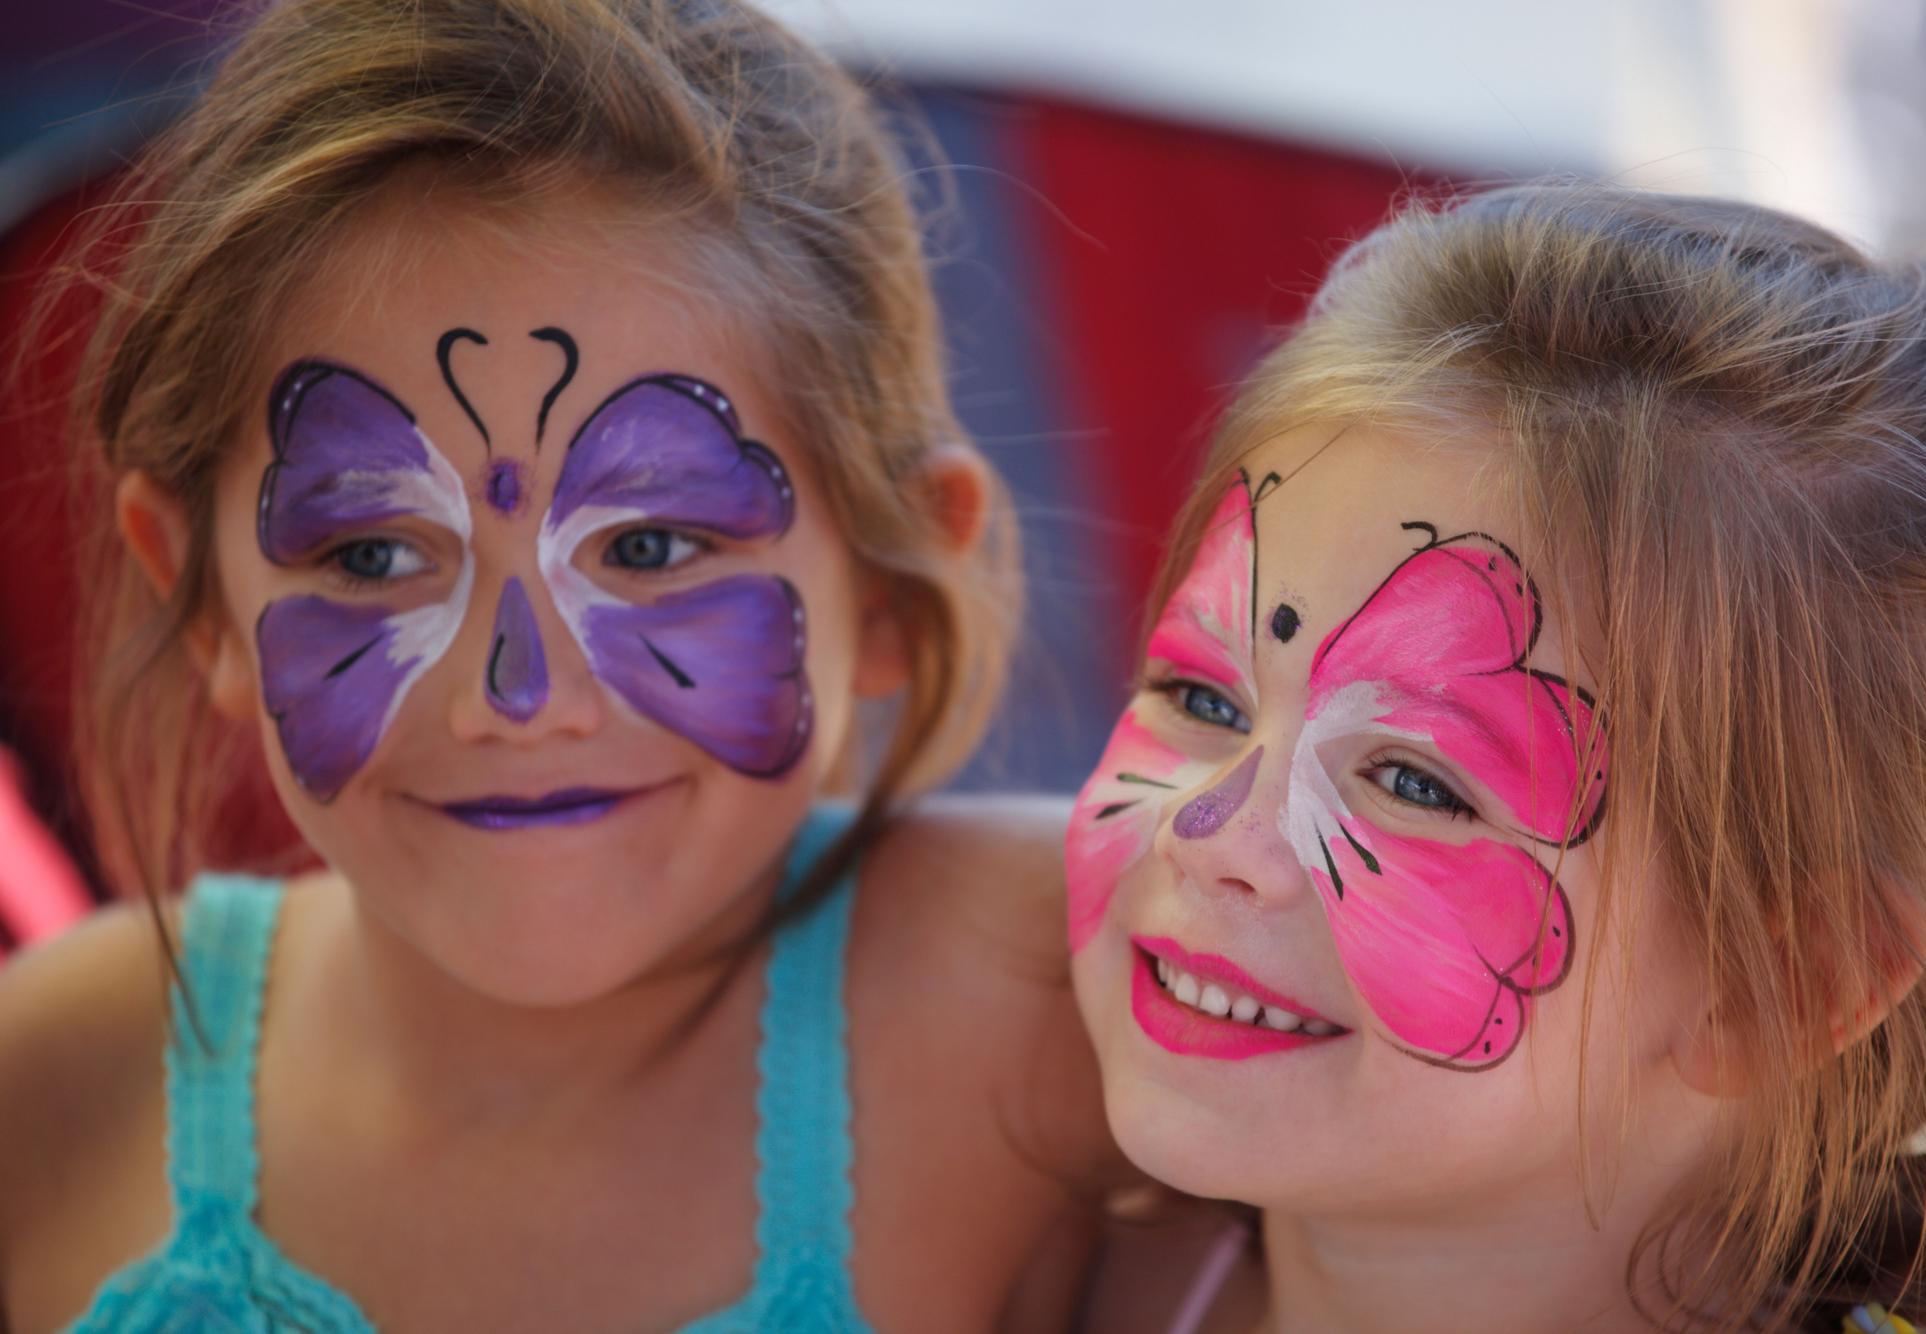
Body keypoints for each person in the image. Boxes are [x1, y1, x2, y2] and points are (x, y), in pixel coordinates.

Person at [0, 2, 1115, 1329]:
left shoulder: (1057, 1007)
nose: (513, 696)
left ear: (887, 576)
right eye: (371, 555)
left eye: (649, 544)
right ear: (203, 602)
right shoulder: (69, 1069)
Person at [1065, 184, 1926, 1332]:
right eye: (1199, 694)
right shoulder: (1026, 1263)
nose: (1204, 834)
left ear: (1789, 982)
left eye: (1413, 781)